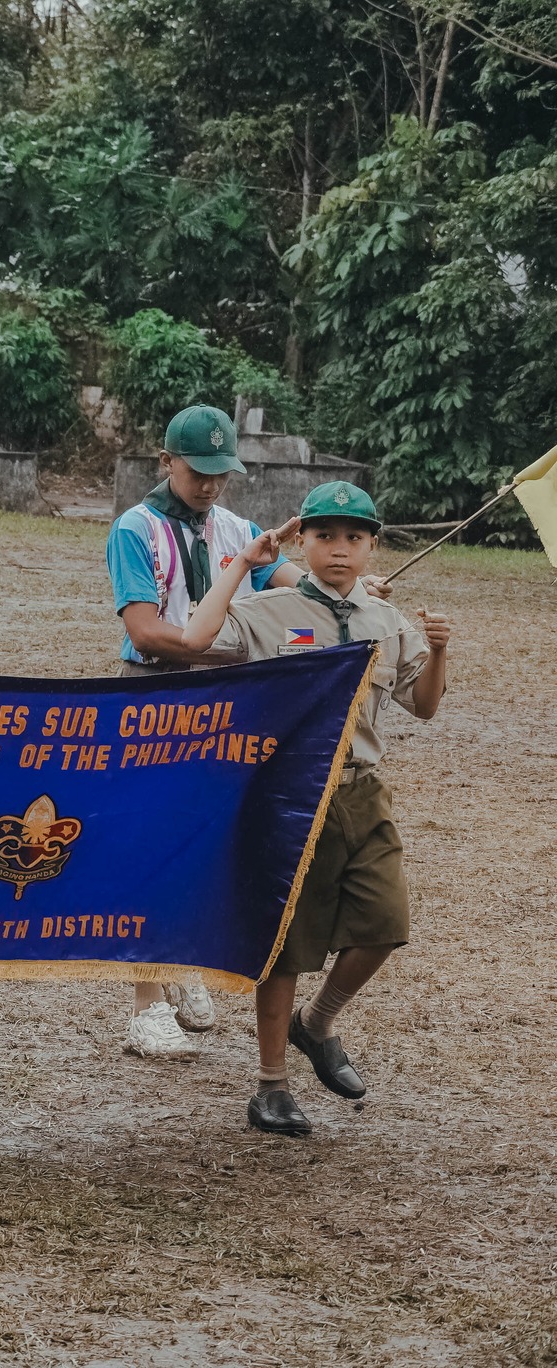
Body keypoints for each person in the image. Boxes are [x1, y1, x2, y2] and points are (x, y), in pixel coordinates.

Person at [172, 481, 449, 1138]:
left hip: (362, 792)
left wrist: (438, 648)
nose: (340, 550)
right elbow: (193, 636)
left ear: (373, 546)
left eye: (354, 538)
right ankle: (271, 1087)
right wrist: (242, 563)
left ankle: (315, 1024)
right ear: (302, 542)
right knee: (287, 948)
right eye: (325, 536)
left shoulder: (388, 622)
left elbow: (426, 704)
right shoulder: (271, 611)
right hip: (290, 798)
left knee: (386, 924)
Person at [105, 403, 302, 1058]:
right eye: (198, 473)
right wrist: (216, 652)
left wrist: (353, 590)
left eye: (221, 473)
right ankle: (144, 1003)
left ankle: (181, 958)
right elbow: (143, 631)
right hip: (155, 692)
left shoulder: (237, 530)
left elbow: (294, 588)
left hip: (222, 705)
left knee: (206, 844)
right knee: (146, 846)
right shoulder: (134, 530)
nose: (211, 486)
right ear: (166, 463)